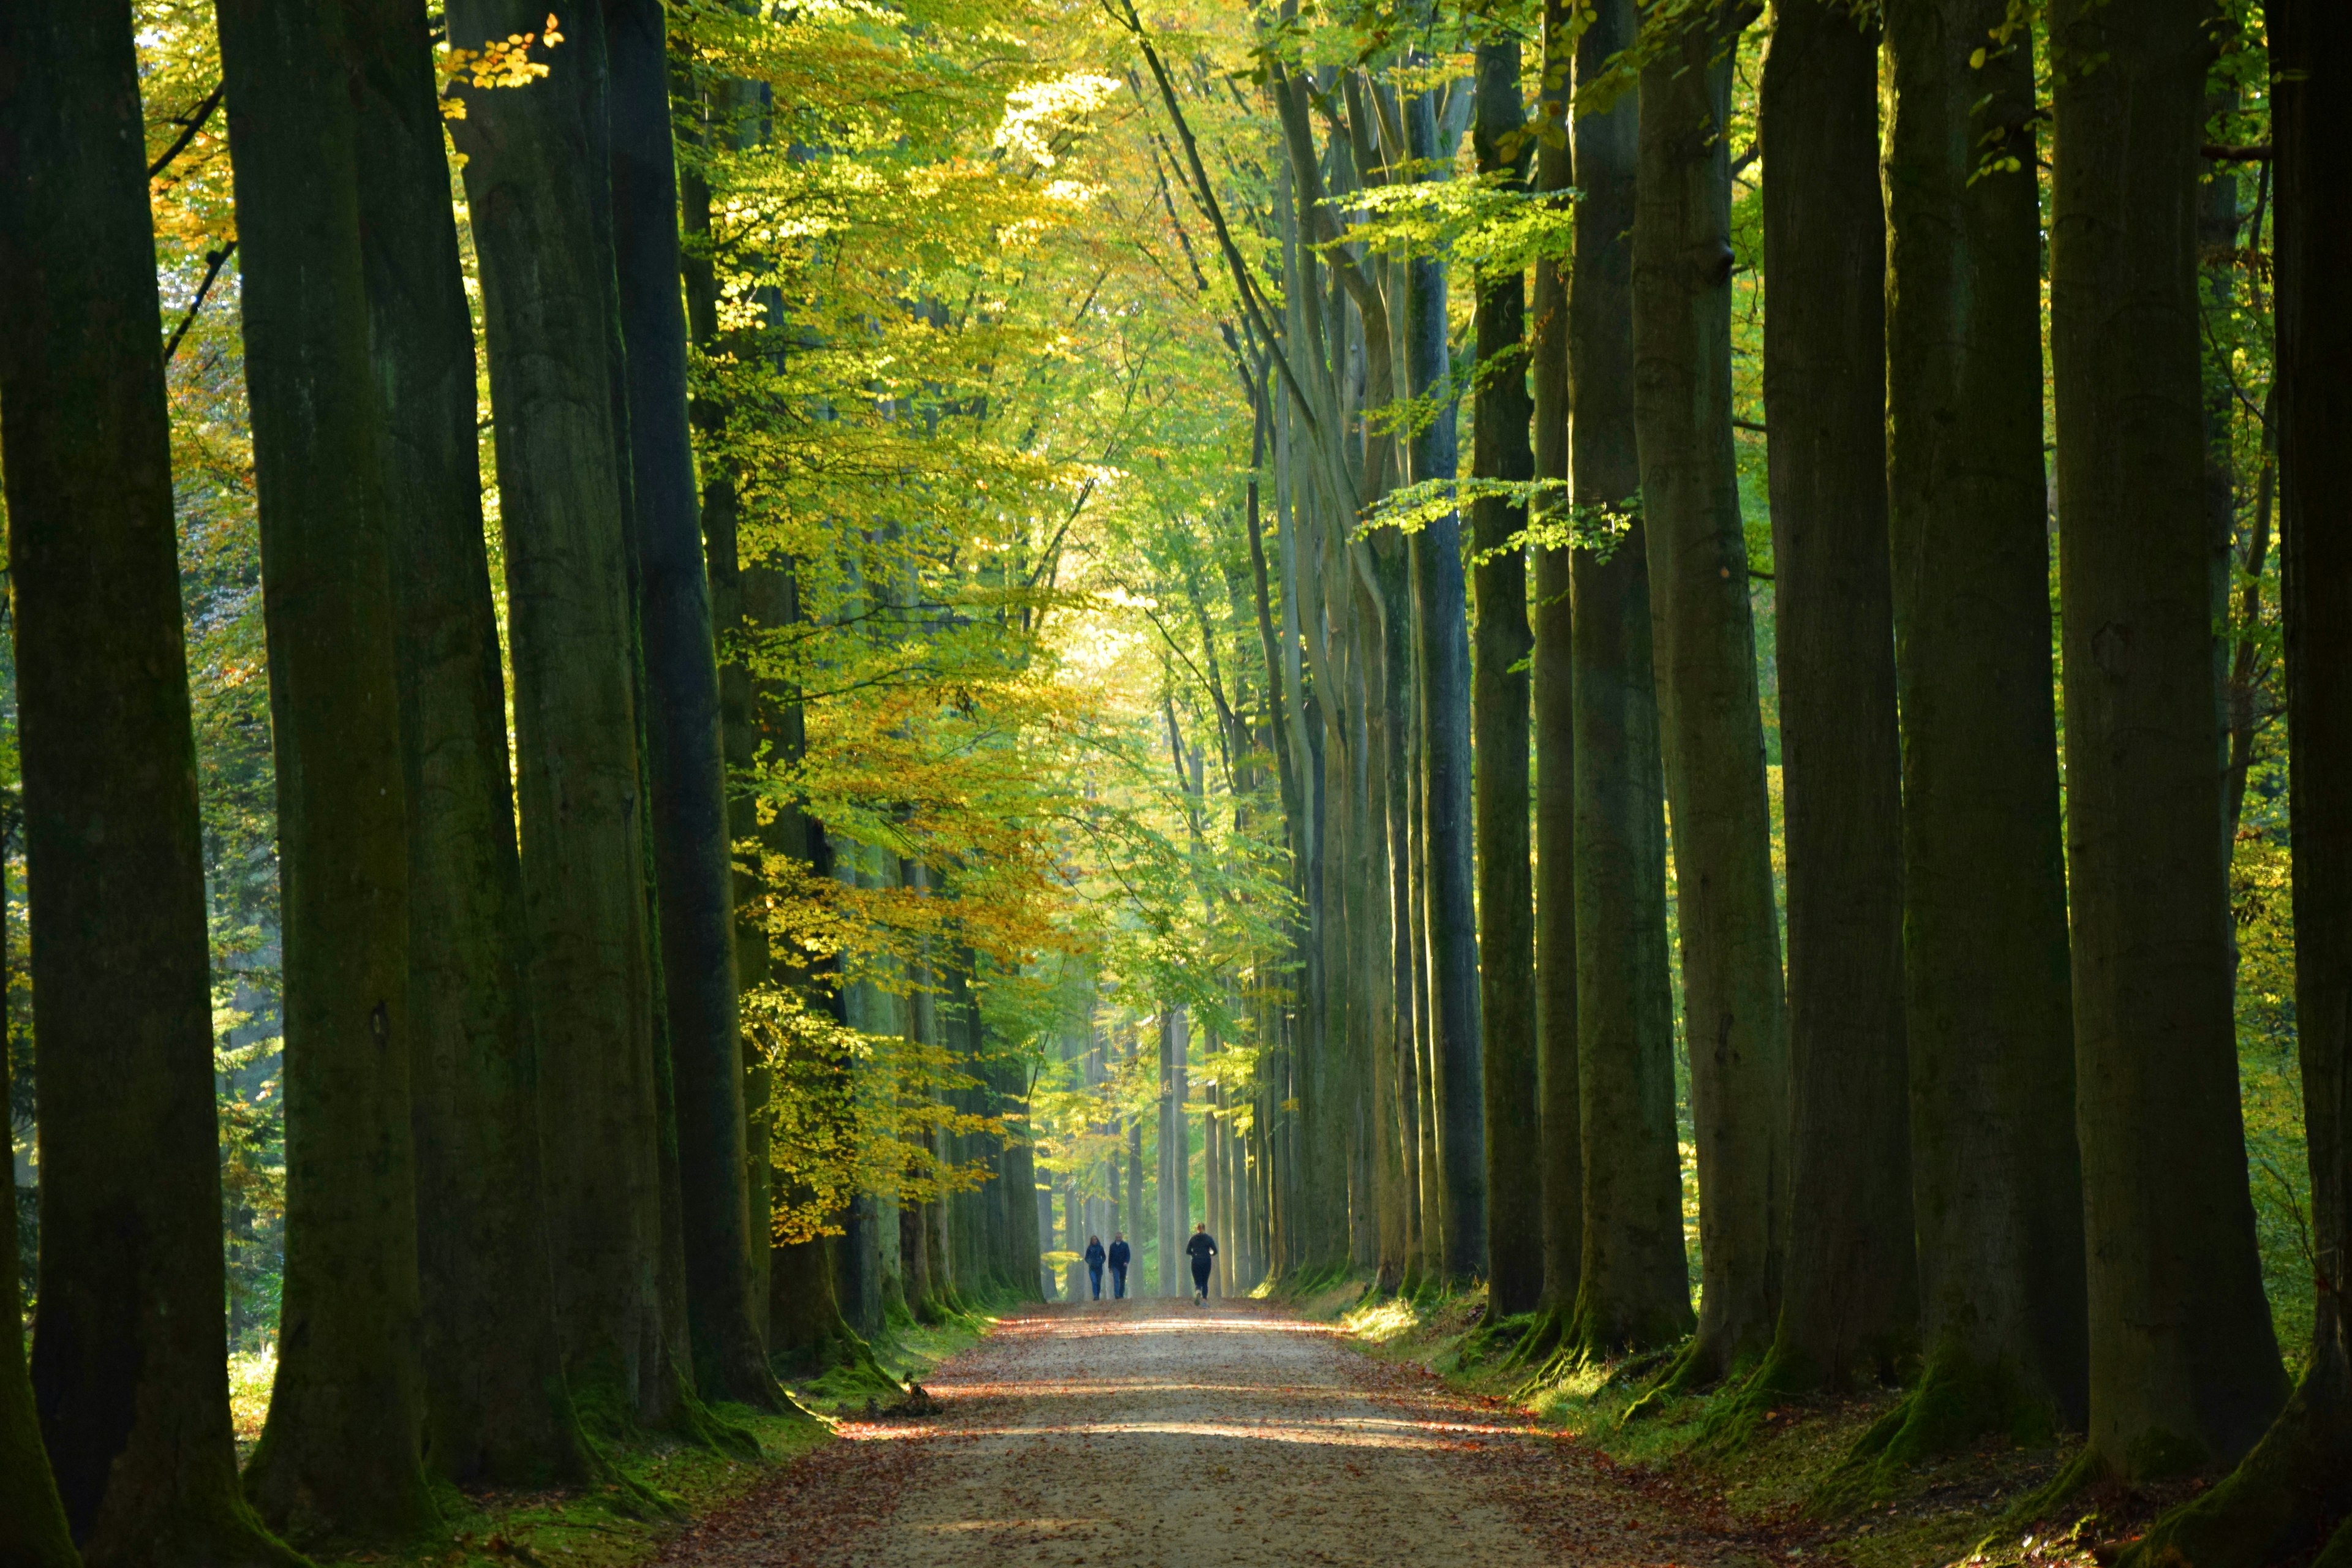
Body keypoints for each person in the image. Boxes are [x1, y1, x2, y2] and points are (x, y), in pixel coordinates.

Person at [1185, 1221, 1218, 1304]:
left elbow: (1188, 1251)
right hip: (1206, 1261)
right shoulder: (1209, 1238)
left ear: (1197, 1229)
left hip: (1196, 1261)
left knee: (1198, 1281)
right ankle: (1204, 1300)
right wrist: (1210, 1254)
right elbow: (1215, 1251)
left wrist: (1194, 1255)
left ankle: (1198, 1292)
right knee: (1205, 1282)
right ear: (1204, 1228)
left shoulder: (1193, 1238)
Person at [1107, 1233, 1131, 1298]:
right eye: (1117, 1237)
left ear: (1122, 1238)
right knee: (1116, 1280)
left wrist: (1126, 1262)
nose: (1118, 1239)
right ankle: (1117, 1295)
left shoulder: (1125, 1245)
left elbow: (1128, 1255)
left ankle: (1121, 1295)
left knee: (1122, 1280)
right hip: (1115, 1265)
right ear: (1115, 1238)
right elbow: (1110, 1257)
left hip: (1123, 1265)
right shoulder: (1112, 1246)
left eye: (1120, 1237)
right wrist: (1110, 1267)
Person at [1083, 1234, 1106, 1301]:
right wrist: (1089, 1262)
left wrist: (1101, 1262)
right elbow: (1086, 1258)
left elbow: (1104, 1257)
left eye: (1095, 1239)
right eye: (1093, 1240)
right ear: (1091, 1241)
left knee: (1098, 1282)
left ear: (1097, 1240)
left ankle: (1098, 1295)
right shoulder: (1089, 1248)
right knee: (1094, 1281)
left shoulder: (1100, 1248)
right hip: (1092, 1268)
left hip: (1099, 1268)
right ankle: (1095, 1296)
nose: (1094, 1241)